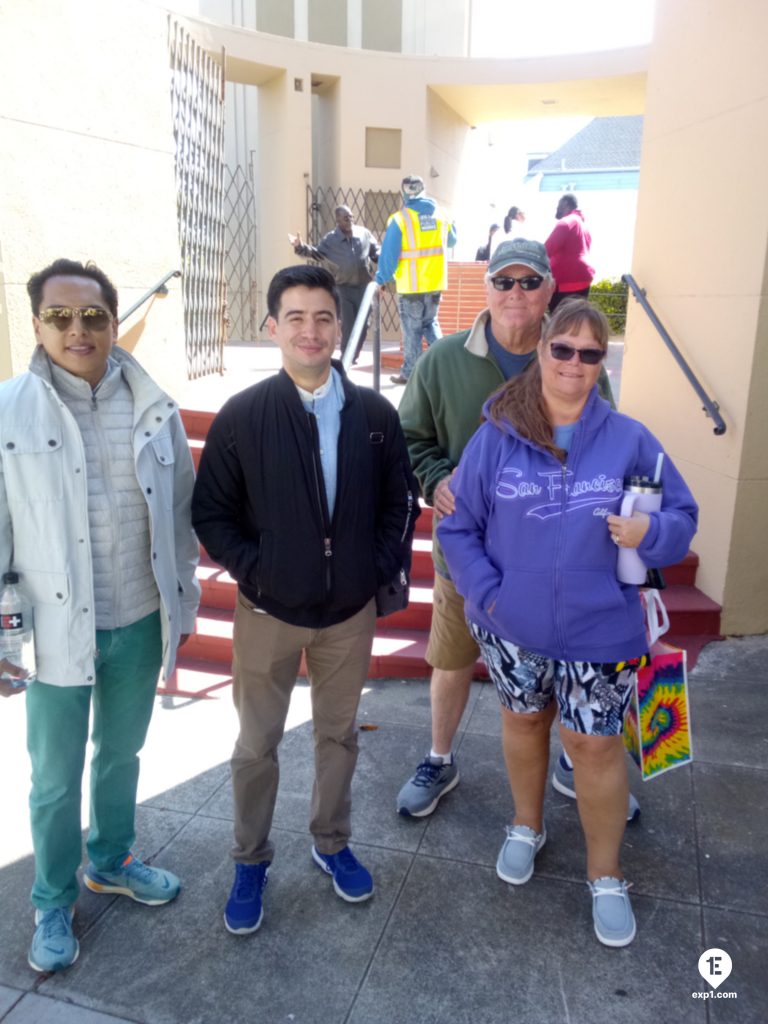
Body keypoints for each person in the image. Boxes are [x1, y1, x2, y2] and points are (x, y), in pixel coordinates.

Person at [438, 300, 698, 947]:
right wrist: (489, 593)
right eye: (563, 349)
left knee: (595, 747)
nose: (575, 365)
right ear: (542, 350)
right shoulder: (497, 434)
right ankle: (527, 824)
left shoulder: (631, 440)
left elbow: (683, 519)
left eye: (590, 354)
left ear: (600, 362)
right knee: (523, 725)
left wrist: (652, 531)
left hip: (601, 631)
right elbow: (458, 524)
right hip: (511, 627)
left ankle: (605, 874)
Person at [191, 264, 419, 934]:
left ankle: (331, 842)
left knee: (338, 737)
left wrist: (368, 571)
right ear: (273, 328)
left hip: (347, 615)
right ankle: (250, 858)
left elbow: (397, 505)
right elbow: (213, 514)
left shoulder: (375, 415)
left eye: (323, 317)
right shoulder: (244, 417)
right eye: (295, 317)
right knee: (255, 745)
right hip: (268, 612)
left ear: (338, 326)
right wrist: (260, 572)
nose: (310, 330)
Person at [0, 258, 200, 972]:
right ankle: (53, 899)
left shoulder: (154, 406)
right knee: (52, 778)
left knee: (121, 753)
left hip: (139, 620)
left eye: (92, 317)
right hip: (56, 631)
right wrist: (5, 635)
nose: (77, 330)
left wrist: (183, 604)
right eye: (60, 316)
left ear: (115, 322)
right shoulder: (8, 410)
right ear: (36, 324)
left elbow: (178, 518)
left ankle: (110, 860)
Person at [395, 239, 624, 821]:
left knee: (563, 664)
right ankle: (439, 757)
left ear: (550, 288)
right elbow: (409, 437)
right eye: (504, 281)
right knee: (450, 659)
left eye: (529, 281)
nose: (516, 293)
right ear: (487, 288)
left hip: (560, 563)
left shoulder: (575, 354)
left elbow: (610, 445)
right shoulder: (442, 360)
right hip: (466, 558)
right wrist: (437, 477)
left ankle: (577, 761)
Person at [375, 174, 457, 385]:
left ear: (403, 193)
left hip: (411, 285)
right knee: (430, 323)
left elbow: (389, 256)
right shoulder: (442, 215)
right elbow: (452, 240)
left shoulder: (400, 219)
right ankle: (447, 364)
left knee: (412, 330)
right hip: (435, 282)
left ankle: (410, 373)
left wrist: (381, 279)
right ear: (424, 190)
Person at [289, 205, 379, 363]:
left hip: (364, 287)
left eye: (351, 216)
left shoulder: (363, 233)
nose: (350, 220)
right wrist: (299, 247)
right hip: (343, 288)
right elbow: (315, 253)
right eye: (345, 218)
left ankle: (353, 354)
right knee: (348, 324)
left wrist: (385, 258)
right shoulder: (331, 239)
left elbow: (375, 251)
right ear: (338, 220)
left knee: (365, 325)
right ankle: (346, 357)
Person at [544, 193, 595, 312]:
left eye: (558, 205)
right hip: (582, 279)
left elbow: (545, 250)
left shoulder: (566, 222)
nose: (556, 208)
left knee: (560, 323)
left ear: (566, 204)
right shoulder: (583, 226)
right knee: (574, 321)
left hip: (567, 282)